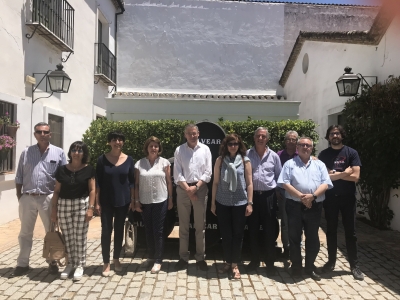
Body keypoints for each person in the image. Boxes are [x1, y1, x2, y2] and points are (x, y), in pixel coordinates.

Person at [11, 122, 67, 278]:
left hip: (48, 197)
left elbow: (63, 177)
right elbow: (19, 176)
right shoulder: (26, 152)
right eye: (39, 132)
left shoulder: (59, 153)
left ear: (50, 134)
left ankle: (52, 262)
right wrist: (19, 196)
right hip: (27, 197)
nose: (43, 134)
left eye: (46, 132)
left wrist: (57, 200)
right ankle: (22, 264)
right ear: (35, 134)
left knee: (51, 231)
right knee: (25, 232)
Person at [278, 137, 333, 281]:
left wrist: (312, 197)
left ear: (311, 148)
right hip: (294, 205)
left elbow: (326, 184)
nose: (305, 147)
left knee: (313, 238)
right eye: (302, 145)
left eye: (308, 145)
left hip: (314, 206)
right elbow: (284, 183)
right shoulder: (290, 164)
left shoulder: (319, 165)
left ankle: (310, 266)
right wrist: (303, 197)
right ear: (297, 147)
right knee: (294, 238)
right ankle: (296, 267)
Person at [318, 125, 364, 280]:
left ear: (341, 135)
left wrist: (335, 174)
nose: (335, 136)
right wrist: (345, 173)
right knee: (330, 231)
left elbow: (355, 177)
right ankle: (331, 262)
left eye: (337, 133)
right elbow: (324, 177)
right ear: (328, 136)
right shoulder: (324, 155)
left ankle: (354, 265)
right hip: (330, 198)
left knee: (350, 232)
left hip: (348, 198)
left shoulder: (352, 153)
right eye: (332, 133)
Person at [50, 141, 96, 281]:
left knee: (80, 237)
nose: (76, 153)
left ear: (84, 153)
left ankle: (80, 265)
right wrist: (54, 210)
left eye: (80, 150)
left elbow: (92, 190)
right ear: (70, 153)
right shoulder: (62, 169)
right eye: (74, 150)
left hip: (81, 204)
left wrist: (91, 209)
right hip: (64, 205)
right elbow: (57, 191)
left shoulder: (89, 169)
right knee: (68, 236)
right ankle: (70, 264)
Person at [211, 134, 253, 279]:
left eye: (235, 143)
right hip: (223, 202)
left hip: (240, 203)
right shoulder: (220, 160)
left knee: (238, 235)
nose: (233, 146)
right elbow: (215, 183)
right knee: (226, 235)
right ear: (226, 145)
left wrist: (250, 203)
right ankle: (228, 262)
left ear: (239, 145)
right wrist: (213, 203)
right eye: (230, 144)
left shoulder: (245, 161)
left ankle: (235, 264)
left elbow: (249, 183)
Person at [95, 131, 135, 277]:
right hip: (106, 201)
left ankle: (116, 259)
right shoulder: (102, 159)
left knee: (119, 231)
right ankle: (106, 262)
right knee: (106, 231)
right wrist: (96, 202)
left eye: (119, 139)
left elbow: (132, 182)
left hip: (123, 201)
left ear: (123, 142)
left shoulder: (129, 159)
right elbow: (97, 182)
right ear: (109, 142)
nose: (117, 142)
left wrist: (132, 200)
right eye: (114, 140)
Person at [173, 124, 212, 271]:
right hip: (183, 190)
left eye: (194, 133)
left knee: (200, 227)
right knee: (183, 226)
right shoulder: (179, 150)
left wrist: (195, 188)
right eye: (189, 134)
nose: (192, 136)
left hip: (200, 189)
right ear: (185, 135)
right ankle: (183, 258)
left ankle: (200, 258)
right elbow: (177, 173)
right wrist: (188, 189)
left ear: (198, 133)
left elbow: (208, 172)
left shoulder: (205, 149)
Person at [134, 136, 173, 274]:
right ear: (147, 148)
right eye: (151, 146)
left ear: (159, 148)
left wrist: (170, 199)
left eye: (156, 146)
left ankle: (158, 260)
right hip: (145, 202)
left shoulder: (165, 163)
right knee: (148, 230)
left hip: (160, 201)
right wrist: (136, 200)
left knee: (158, 231)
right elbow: (136, 184)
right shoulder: (139, 164)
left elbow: (169, 182)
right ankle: (150, 257)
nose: (153, 148)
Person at [246, 127, 282, 276]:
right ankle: (254, 260)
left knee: (269, 230)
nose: (260, 138)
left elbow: (279, 177)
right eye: (258, 136)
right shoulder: (247, 154)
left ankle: (270, 263)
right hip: (252, 197)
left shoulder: (274, 156)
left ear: (267, 139)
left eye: (263, 136)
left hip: (268, 197)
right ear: (254, 138)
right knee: (252, 230)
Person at [276, 130, 299, 260]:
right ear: (285, 141)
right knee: (285, 223)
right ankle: (286, 248)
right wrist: (277, 190)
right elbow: (275, 174)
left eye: (293, 139)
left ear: (297, 142)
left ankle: (296, 249)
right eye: (289, 139)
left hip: (298, 194)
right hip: (283, 194)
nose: (291, 141)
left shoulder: (301, 154)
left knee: (297, 223)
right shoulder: (279, 155)